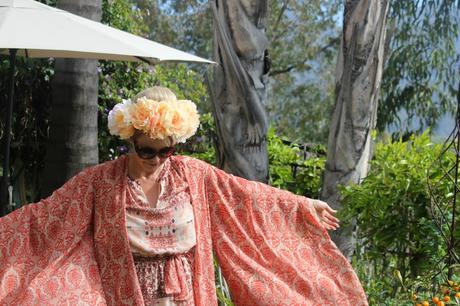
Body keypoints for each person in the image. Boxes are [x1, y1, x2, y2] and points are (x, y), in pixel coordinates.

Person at [0, 86, 368, 306]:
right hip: (129, 296)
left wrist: (302, 207)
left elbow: (249, 198)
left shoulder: (194, 174)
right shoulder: (100, 183)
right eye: (147, 151)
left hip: (187, 296)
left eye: (166, 152)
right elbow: (42, 221)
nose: (157, 160)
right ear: (130, 140)